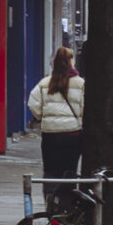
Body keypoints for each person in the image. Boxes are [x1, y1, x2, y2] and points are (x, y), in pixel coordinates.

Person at [28, 47, 87, 215]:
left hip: (50, 136)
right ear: (70, 62)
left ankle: (50, 201)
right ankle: (66, 207)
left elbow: (33, 105)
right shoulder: (80, 83)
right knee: (69, 172)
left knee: (51, 171)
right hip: (72, 135)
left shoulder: (45, 83)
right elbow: (84, 107)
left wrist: (42, 116)